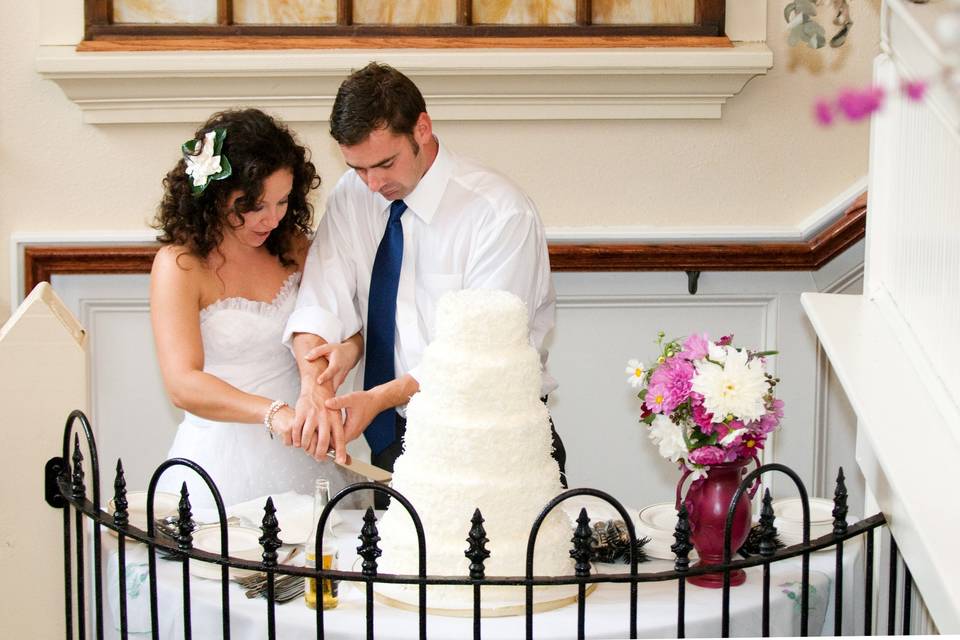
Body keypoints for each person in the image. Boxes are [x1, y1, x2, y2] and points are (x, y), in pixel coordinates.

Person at [283, 63, 566, 506]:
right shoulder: (350, 196)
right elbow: (321, 301)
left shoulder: (498, 213)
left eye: (384, 163)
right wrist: (313, 386)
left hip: (489, 441)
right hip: (392, 443)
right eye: (358, 168)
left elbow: (482, 351)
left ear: (422, 128)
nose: (373, 184)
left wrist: (379, 397)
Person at [150, 108, 362, 509]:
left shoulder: (294, 247)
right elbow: (182, 383)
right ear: (214, 195)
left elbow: (347, 325)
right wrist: (273, 413)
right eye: (253, 205)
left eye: (282, 201)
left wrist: (347, 351)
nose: (272, 218)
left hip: (305, 447)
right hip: (221, 461)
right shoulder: (180, 265)